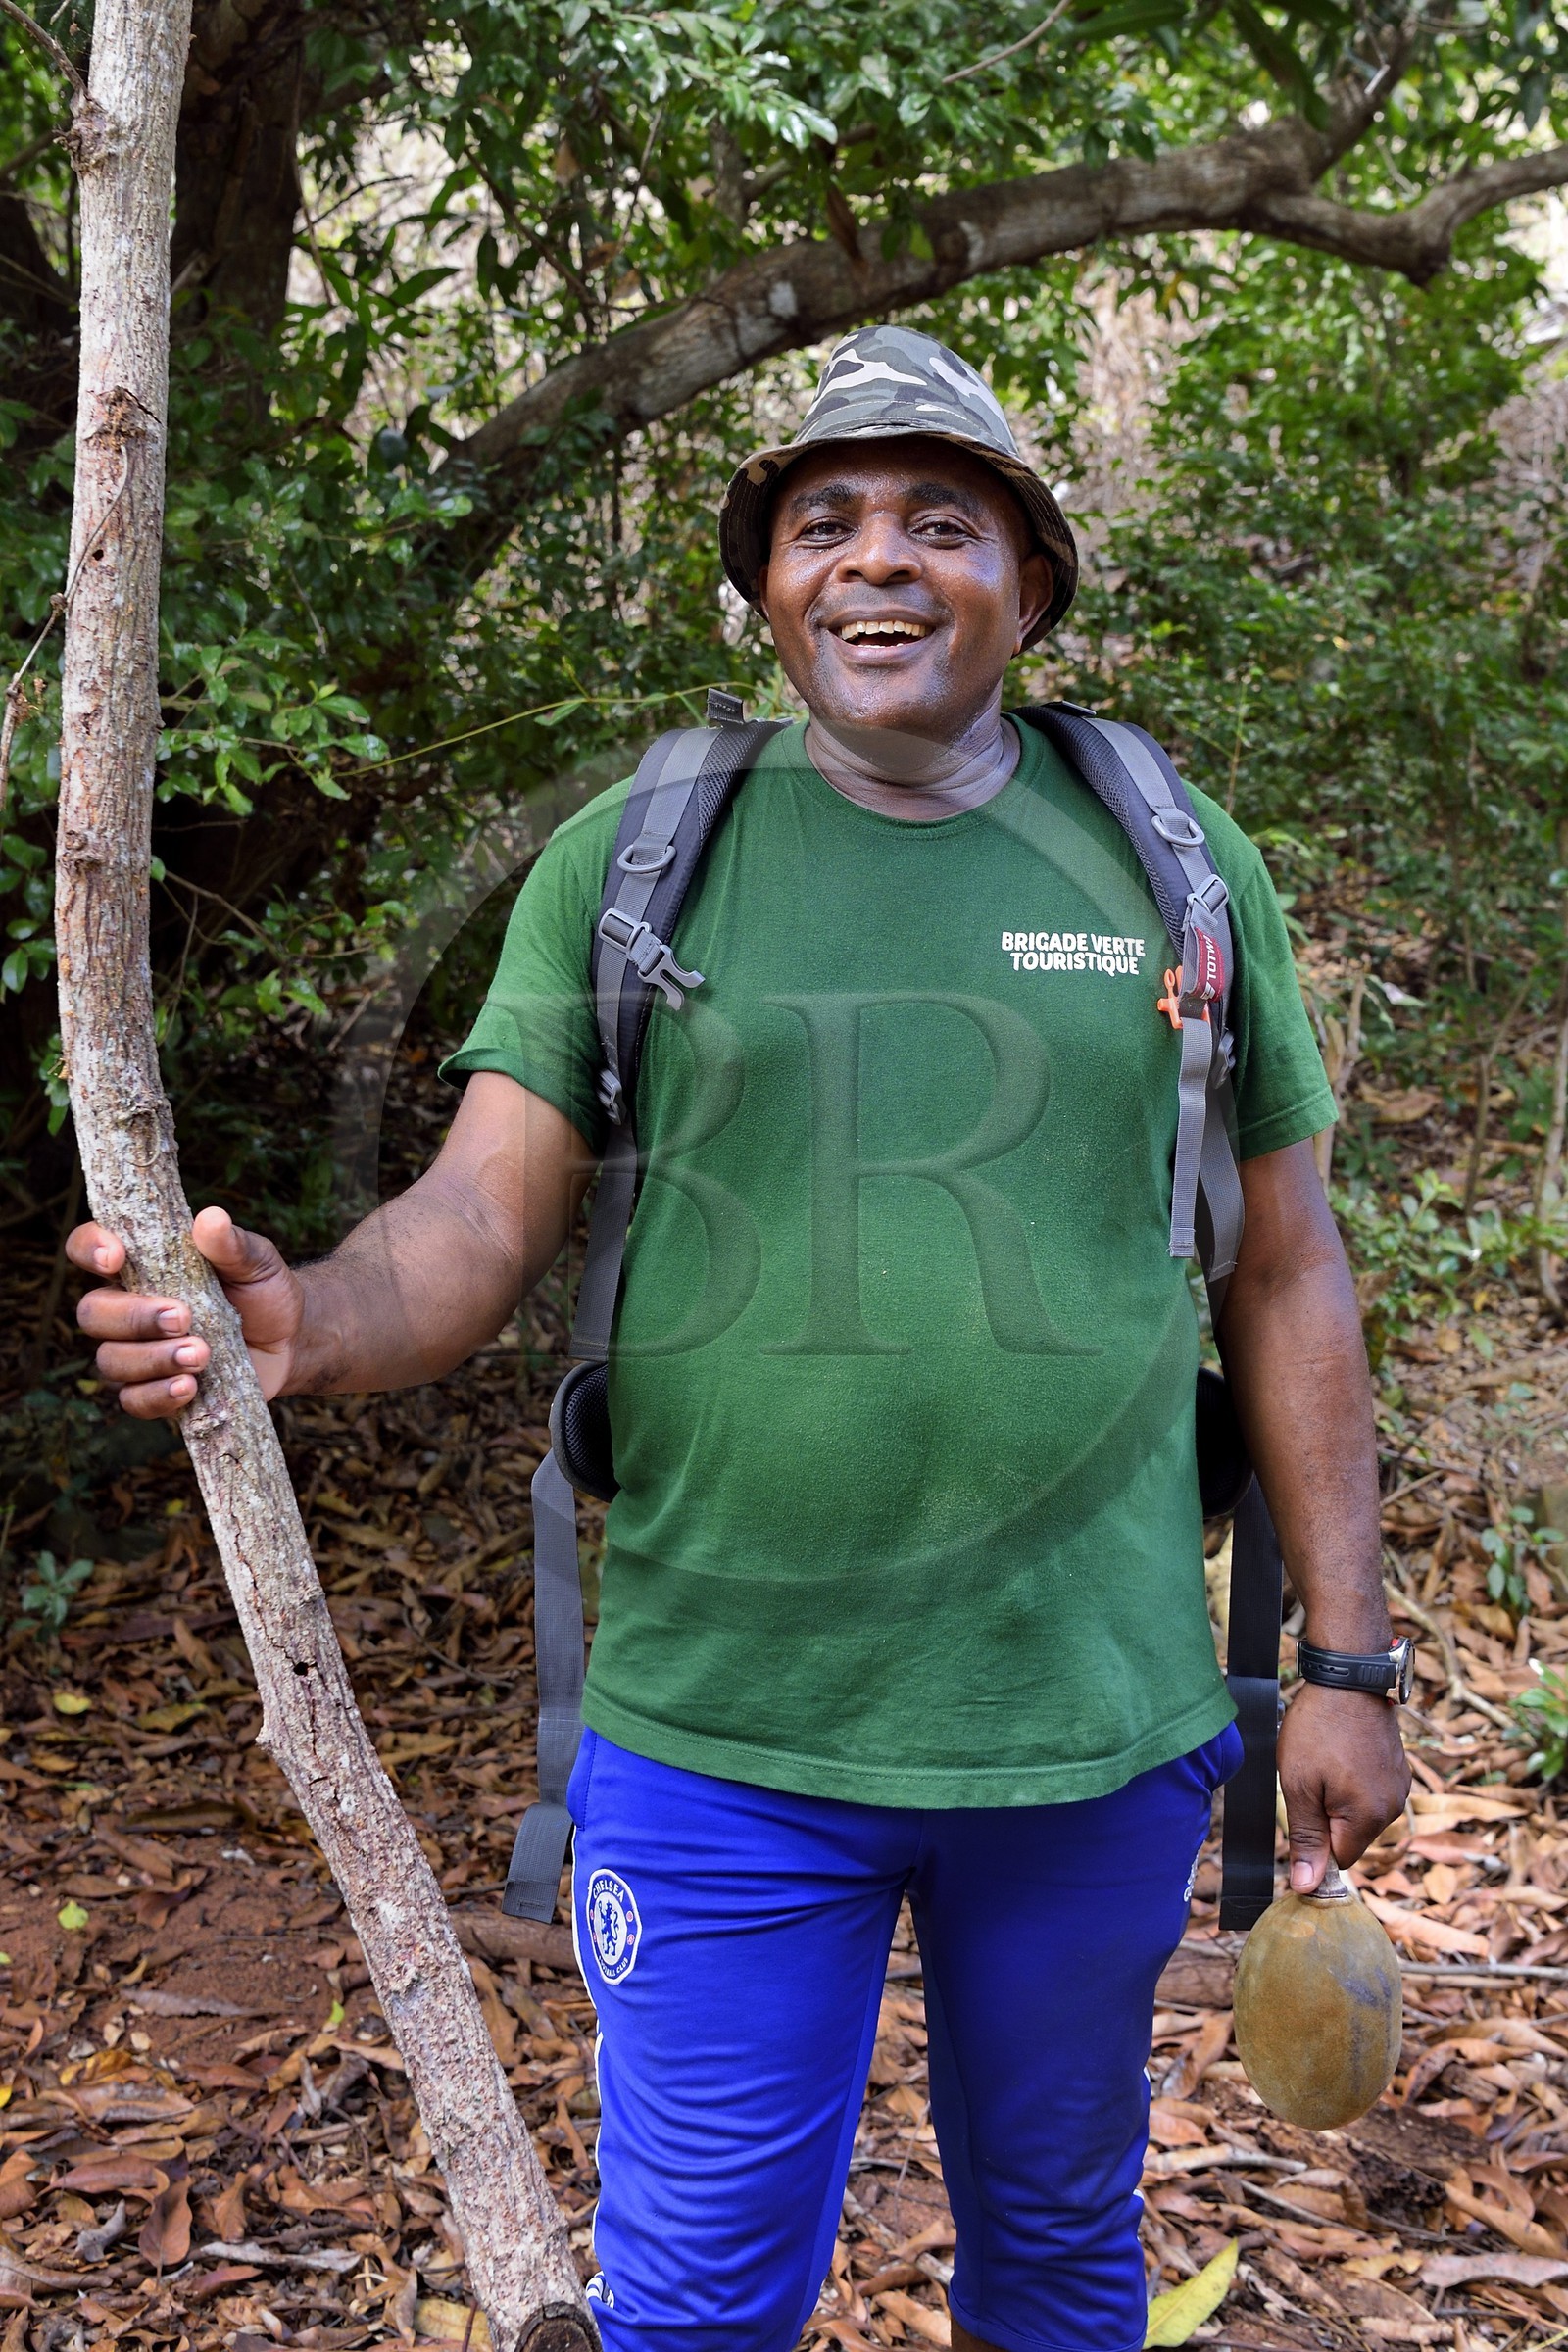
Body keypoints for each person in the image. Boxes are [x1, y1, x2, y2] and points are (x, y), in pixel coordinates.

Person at [72, 327, 1410, 2352]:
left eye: (940, 521)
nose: (877, 560)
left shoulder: (1168, 854)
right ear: (768, 587)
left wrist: (1345, 1668)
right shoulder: (640, 856)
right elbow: (478, 1212)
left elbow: (1287, 1267)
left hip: (1088, 1723)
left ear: (1028, 583)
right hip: (722, 1740)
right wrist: (305, 1321)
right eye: (824, 522)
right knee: (697, 2303)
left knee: (1061, 2260)